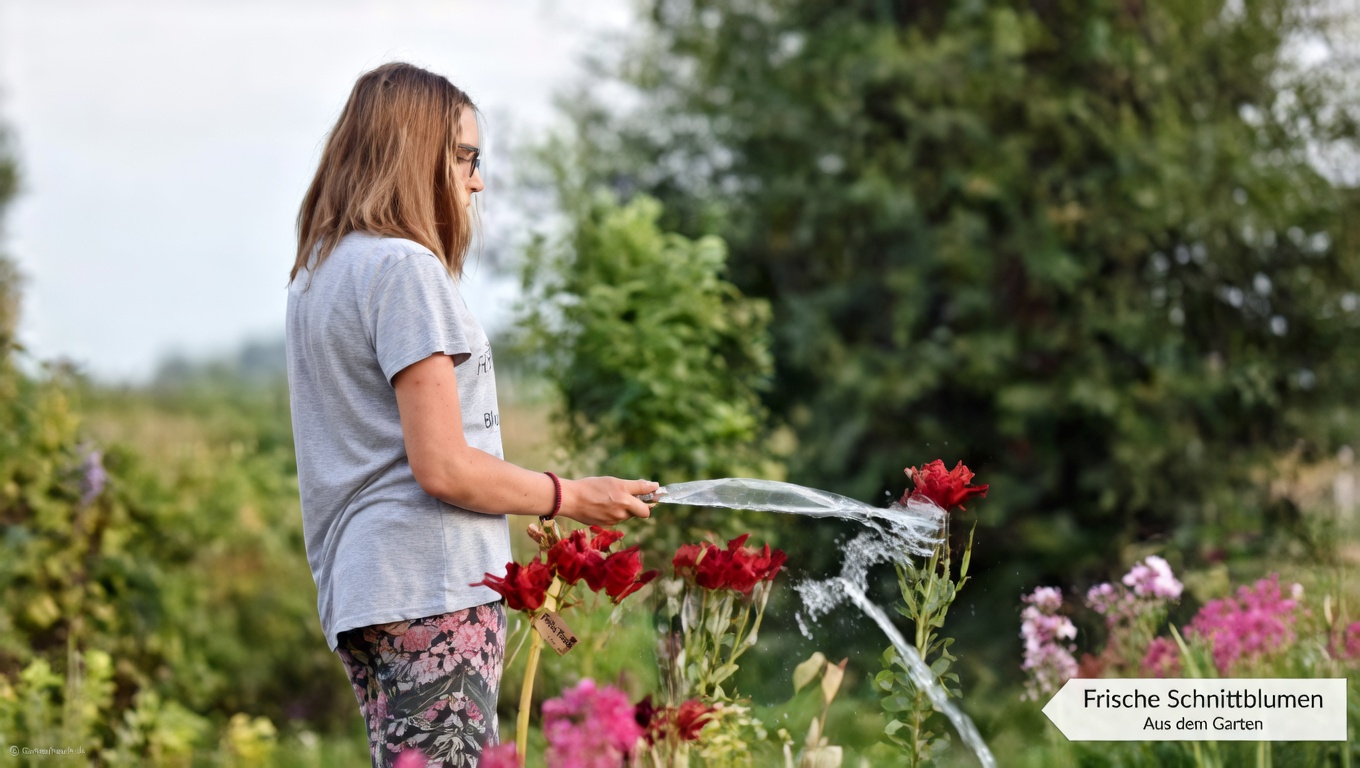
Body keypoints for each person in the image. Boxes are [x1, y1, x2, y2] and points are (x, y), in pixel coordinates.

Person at [285, 62, 658, 768]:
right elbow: (444, 466)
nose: (476, 180)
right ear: (415, 152)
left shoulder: (320, 273)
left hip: (366, 590)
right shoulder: (404, 271)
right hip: (430, 585)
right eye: (464, 156)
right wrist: (571, 497)